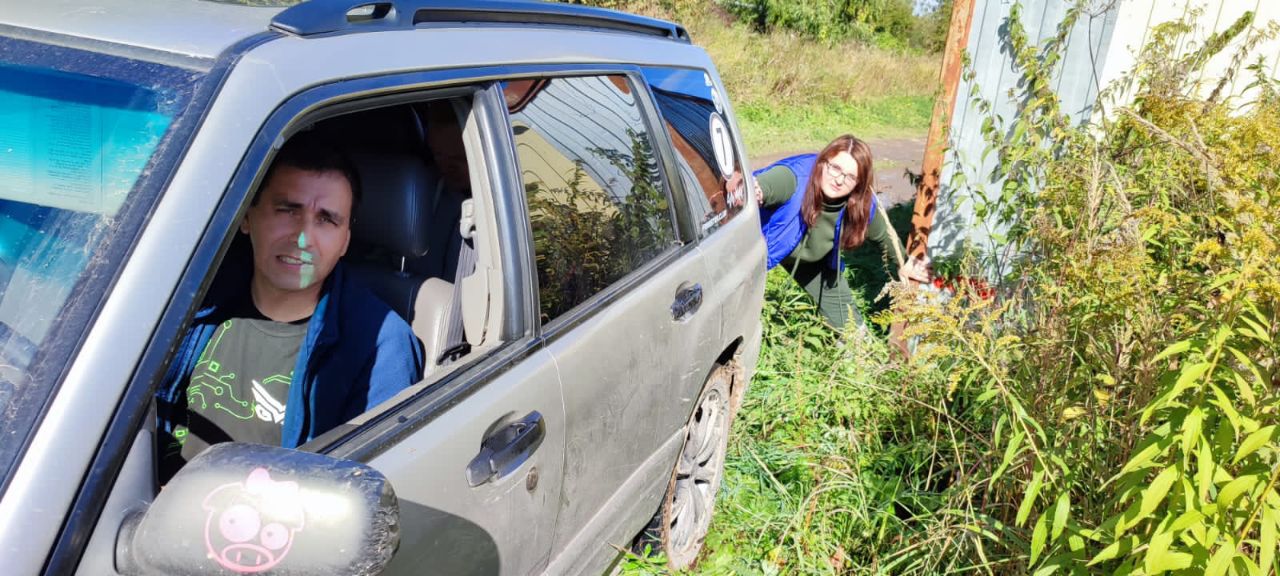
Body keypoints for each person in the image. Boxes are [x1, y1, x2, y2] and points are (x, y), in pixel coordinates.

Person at [156, 134, 425, 477]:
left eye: (327, 220)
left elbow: (365, 490)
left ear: (345, 241)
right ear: (246, 217)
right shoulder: (194, 302)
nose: (302, 238)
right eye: (287, 210)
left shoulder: (380, 346)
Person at [749, 134, 928, 329]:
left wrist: (904, 262)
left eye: (851, 177)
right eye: (835, 168)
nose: (839, 180)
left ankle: (857, 355)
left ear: (859, 184)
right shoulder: (794, 178)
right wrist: (757, 190)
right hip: (766, 244)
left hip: (815, 260)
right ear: (822, 162)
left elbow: (884, 236)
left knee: (852, 328)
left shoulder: (861, 205)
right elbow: (759, 186)